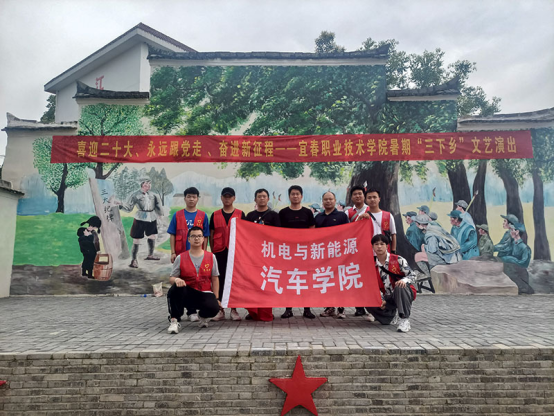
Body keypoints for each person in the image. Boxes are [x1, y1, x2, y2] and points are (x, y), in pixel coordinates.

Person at [167, 227, 220, 334]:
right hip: (187, 292)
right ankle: (174, 321)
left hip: (204, 293)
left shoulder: (211, 257)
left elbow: (215, 278)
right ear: (189, 239)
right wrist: (177, 279)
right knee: (175, 289)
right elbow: (172, 278)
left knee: (214, 308)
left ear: (203, 239)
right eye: (193, 236)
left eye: (199, 236)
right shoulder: (181, 257)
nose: (197, 239)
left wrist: (216, 297)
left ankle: (203, 316)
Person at [168, 186, 210, 322]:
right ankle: (178, 312)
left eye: (194, 197)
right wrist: (173, 252)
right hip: (181, 254)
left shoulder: (203, 216)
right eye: (189, 196)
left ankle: (192, 311)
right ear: (185, 198)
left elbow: (206, 236)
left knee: (194, 281)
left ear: (197, 199)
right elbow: (172, 234)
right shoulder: (177, 215)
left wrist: (205, 252)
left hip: (197, 255)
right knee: (180, 282)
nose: (191, 199)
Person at [365, 234, 417, 333]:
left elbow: (413, 275)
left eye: (382, 244)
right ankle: (389, 316)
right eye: (376, 244)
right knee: (367, 299)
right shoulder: (372, 264)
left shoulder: (398, 259)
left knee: (399, 286)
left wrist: (404, 281)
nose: (379, 246)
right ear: (372, 247)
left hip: (403, 292)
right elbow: (372, 286)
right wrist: (381, 299)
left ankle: (404, 319)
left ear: (387, 246)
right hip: (388, 296)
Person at [279, 185, 316, 320]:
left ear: (301, 196)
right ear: (289, 196)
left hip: (304, 252)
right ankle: (288, 309)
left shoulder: (307, 212)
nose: (295, 196)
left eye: (297, 194)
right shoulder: (283, 213)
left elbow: (312, 229)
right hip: (288, 252)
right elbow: (278, 232)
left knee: (306, 279)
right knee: (288, 279)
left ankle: (307, 309)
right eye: (293, 194)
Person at [209, 187, 246, 322]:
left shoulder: (240, 214)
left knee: (233, 280)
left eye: (230, 196)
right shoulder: (215, 215)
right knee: (219, 280)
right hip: (219, 252)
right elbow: (211, 234)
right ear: (221, 198)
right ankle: (220, 310)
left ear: (234, 198)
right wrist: (213, 251)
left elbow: (245, 234)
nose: (227, 199)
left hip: (234, 252)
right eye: (225, 196)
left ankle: (234, 309)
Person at [245, 189, 281, 321]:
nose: (262, 198)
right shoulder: (250, 216)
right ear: (255, 199)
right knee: (253, 283)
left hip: (269, 254)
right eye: (259, 196)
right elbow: (245, 234)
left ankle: (266, 312)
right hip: (253, 255)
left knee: (267, 283)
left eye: (264, 196)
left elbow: (279, 234)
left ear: (268, 199)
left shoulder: (274, 216)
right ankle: (253, 311)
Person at [315, 191, 349, 319]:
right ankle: (329, 308)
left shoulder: (342, 216)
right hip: (323, 255)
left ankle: (341, 309)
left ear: (335, 200)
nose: (328, 201)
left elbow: (348, 233)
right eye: (326, 199)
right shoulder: (318, 217)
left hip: (339, 255)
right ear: (322, 202)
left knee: (340, 281)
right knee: (327, 281)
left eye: (331, 199)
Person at [118, 179, 164, 268]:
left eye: (149, 184)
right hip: (140, 218)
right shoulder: (135, 195)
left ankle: (150, 255)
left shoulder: (154, 195)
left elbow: (158, 206)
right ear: (142, 185)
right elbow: (129, 207)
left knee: (152, 236)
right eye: (147, 184)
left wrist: (160, 215)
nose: (149, 185)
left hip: (151, 217)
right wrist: (120, 205)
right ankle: (134, 260)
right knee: (136, 238)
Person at [357, 188, 397, 253]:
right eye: (369, 198)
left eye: (374, 197)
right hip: (367, 252)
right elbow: (356, 233)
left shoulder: (388, 215)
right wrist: (359, 219)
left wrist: (393, 251)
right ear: (366, 200)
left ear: (379, 199)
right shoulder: (362, 216)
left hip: (384, 253)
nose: (372, 199)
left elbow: (393, 234)